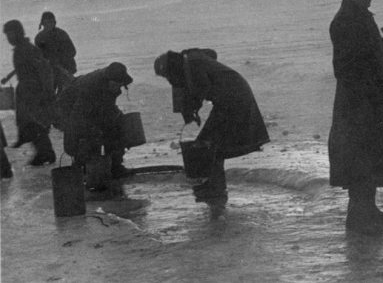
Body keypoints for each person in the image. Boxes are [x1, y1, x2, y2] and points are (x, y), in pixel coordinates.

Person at [329, 0, 383, 235]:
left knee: (371, 156)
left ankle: (369, 209)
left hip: (371, 101)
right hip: (358, 104)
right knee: (360, 158)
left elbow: (376, 62)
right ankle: (358, 217)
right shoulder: (346, 21)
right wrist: (377, 93)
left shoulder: (360, 16)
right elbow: (348, 68)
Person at [154, 49, 269, 204]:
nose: (169, 79)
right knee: (212, 145)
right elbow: (212, 53)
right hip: (235, 94)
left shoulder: (192, 64)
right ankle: (215, 189)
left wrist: (192, 109)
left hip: (232, 99)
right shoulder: (191, 58)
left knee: (208, 146)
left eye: (167, 75)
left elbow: (202, 86)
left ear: (173, 68)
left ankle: (214, 190)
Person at [57, 62, 133, 180]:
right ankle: (83, 169)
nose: (119, 87)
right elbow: (79, 117)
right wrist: (94, 129)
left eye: (120, 85)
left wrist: (119, 119)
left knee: (115, 128)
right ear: (109, 80)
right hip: (69, 108)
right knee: (87, 138)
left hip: (88, 108)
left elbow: (108, 107)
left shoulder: (109, 84)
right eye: (117, 84)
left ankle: (115, 166)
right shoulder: (90, 88)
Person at [3, 20, 56, 165]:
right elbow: (22, 67)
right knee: (28, 122)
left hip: (34, 92)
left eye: (11, 34)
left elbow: (44, 70)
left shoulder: (27, 49)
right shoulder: (21, 49)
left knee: (35, 123)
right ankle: (42, 151)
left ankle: (46, 153)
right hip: (26, 92)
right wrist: (9, 77)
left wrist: (47, 92)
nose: (9, 38)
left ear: (18, 32)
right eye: (7, 35)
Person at [34, 11, 77, 93]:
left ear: (54, 23)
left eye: (51, 22)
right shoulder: (39, 38)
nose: (49, 25)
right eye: (46, 23)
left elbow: (72, 51)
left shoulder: (61, 34)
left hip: (65, 68)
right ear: (42, 24)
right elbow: (39, 56)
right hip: (50, 71)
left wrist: (60, 60)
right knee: (49, 92)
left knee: (67, 91)